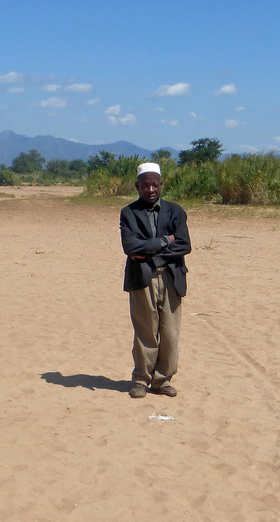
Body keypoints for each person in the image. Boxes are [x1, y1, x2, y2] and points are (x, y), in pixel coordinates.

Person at [120, 162, 191, 398]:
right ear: (137, 186)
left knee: (170, 333)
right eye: (145, 185)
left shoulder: (176, 211)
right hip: (142, 278)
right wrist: (164, 241)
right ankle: (140, 379)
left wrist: (147, 250)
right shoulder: (128, 213)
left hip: (171, 278)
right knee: (145, 331)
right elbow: (129, 246)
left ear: (161, 185)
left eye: (155, 184)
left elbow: (184, 245)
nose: (150, 190)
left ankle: (162, 380)